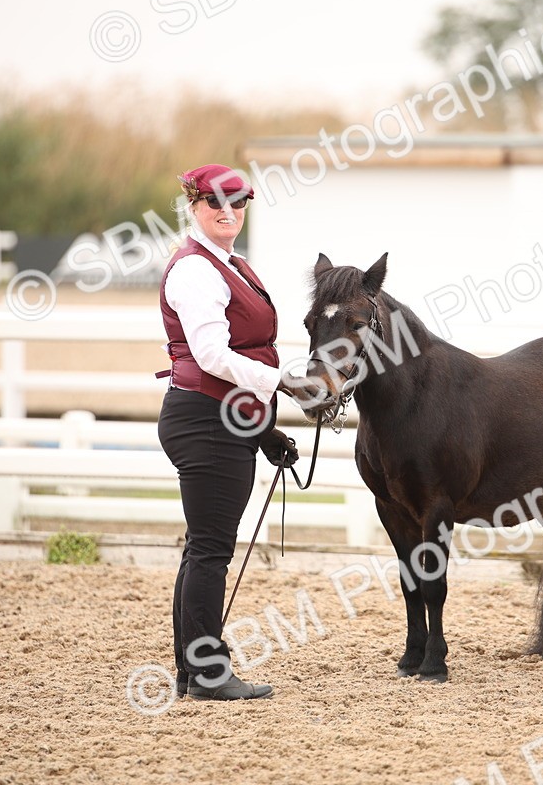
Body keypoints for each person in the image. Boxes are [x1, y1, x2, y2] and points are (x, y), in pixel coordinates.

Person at [156, 163, 324, 701]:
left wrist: (263, 433)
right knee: (209, 551)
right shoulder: (196, 270)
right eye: (214, 202)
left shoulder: (231, 264)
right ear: (193, 205)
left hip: (225, 419)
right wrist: (285, 384)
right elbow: (211, 354)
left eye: (238, 202)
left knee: (202, 550)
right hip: (205, 419)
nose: (227, 212)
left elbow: (238, 355)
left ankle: (193, 669)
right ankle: (207, 672)